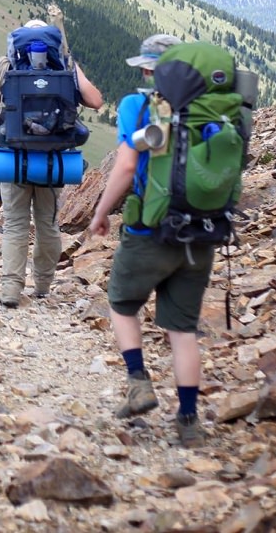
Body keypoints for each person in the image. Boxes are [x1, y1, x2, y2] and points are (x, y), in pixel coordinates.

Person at [87, 32, 212, 448]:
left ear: (147, 69)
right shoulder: (213, 109)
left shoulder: (137, 105)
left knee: (122, 303)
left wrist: (101, 211)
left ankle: (138, 381)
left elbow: (125, 167)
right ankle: (189, 421)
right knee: (183, 330)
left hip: (149, 228)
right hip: (200, 231)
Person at [0, 18, 103, 307]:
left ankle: (11, 290)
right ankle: (44, 285)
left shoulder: (7, 66)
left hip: (15, 159)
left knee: (15, 224)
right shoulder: (65, 68)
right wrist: (72, 67)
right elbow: (95, 101)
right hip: (53, 160)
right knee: (47, 224)